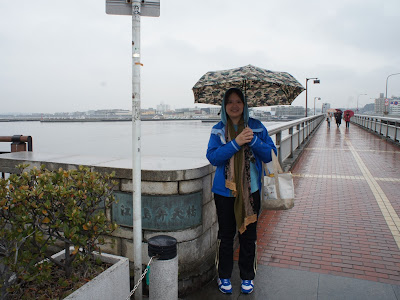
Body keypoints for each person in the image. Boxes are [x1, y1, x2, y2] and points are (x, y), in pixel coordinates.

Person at [206, 87, 277, 295]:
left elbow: (271, 154)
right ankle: (224, 276)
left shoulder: (256, 127)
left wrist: (253, 140)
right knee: (226, 236)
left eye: (238, 101)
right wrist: (236, 143)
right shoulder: (218, 129)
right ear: (224, 106)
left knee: (249, 236)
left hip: (251, 191)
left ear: (245, 105)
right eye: (230, 102)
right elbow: (213, 157)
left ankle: (247, 277)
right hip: (224, 192)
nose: (234, 105)